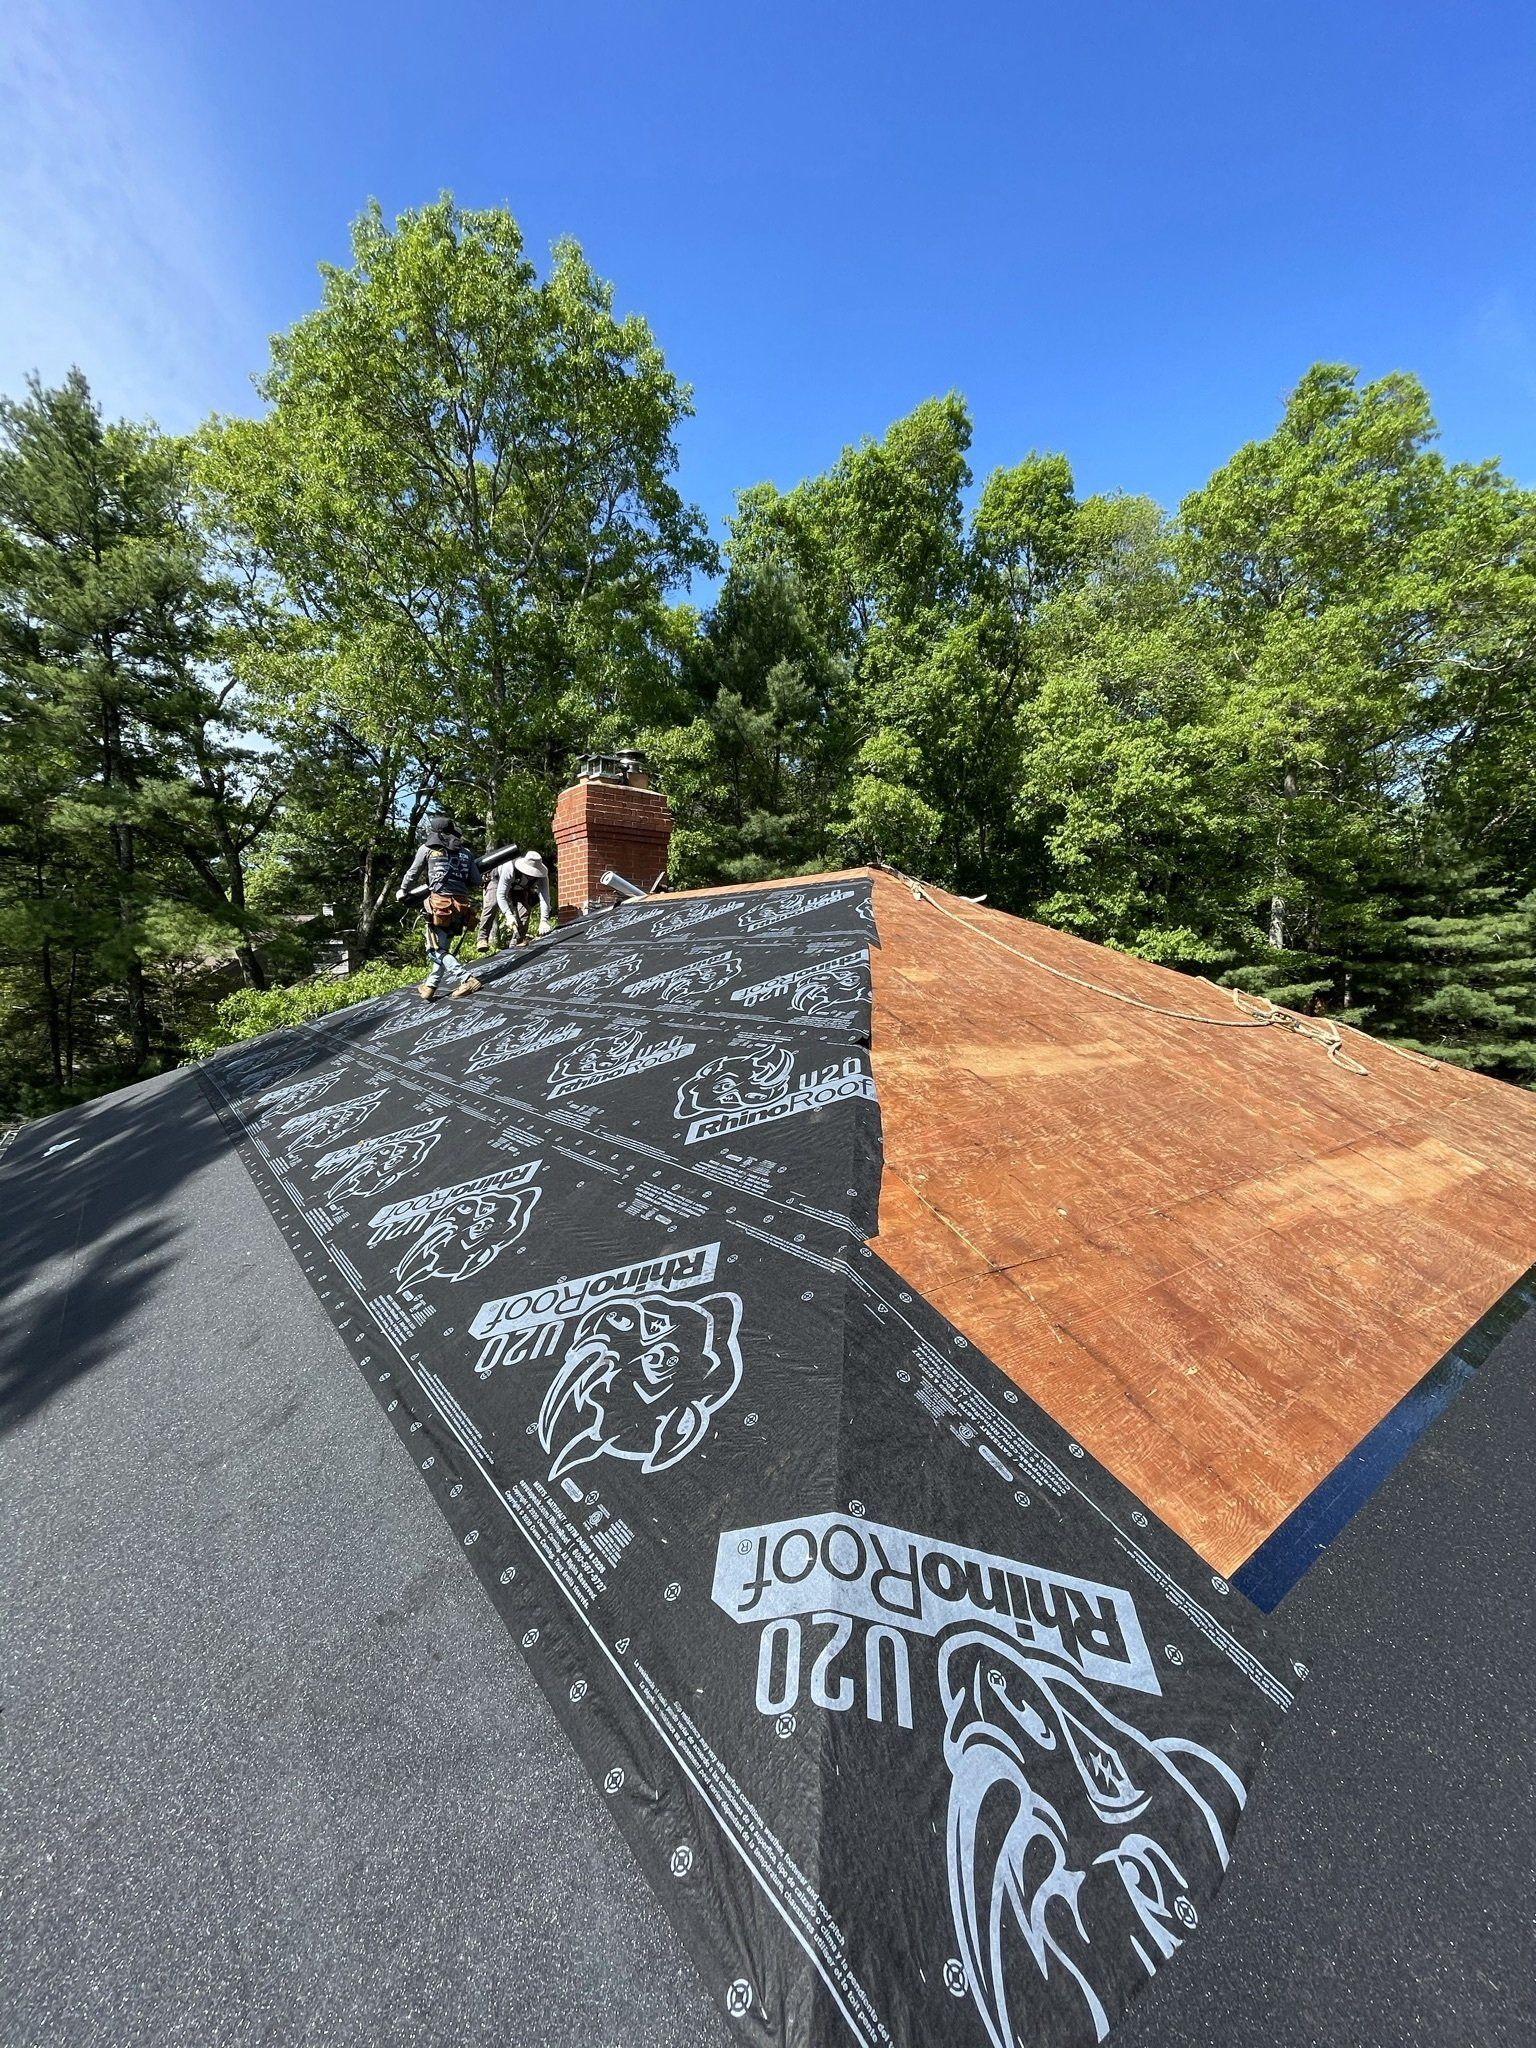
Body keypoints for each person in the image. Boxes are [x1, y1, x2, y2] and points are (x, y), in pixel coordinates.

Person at [396, 814, 483, 1001]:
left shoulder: (426, 849)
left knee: (434, 950)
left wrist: (403, 890)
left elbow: (412, 873)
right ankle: (430, 986)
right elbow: (476, 880)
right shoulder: (466, 853)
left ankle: (466, 979)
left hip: (439, 907)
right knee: (443, 947)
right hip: (461, 906)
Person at [476, 848, 555, 954]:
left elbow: (545, 898)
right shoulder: (510, 868)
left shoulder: (542, 876)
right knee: (492, 904)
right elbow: (501, 895)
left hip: (520, 887)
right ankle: (482, 938)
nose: (532, 875)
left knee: (524, 912)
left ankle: (516, 943)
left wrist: (544, 921)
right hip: (497, 880)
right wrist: (508, 915)